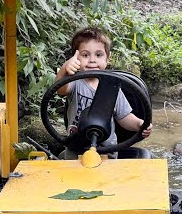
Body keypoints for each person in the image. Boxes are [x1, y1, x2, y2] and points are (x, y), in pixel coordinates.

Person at [56, 26, 151, 155]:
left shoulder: (112, 88)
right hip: (76, 149)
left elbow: (124, 117)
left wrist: (139, 124)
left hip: (107, 151)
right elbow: (60, 89)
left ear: (107, 58)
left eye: (99, 55)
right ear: (76, 58)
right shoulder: (74, 83)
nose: (92, 60)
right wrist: (65, 68)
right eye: (85, 55)